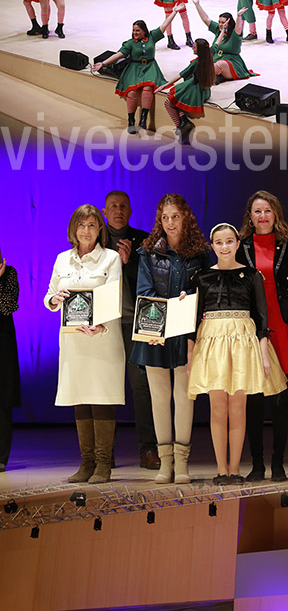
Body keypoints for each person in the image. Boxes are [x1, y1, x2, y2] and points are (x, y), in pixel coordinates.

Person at [187, 223, 287, 483]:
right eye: (219, 242)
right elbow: (192, 321)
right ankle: (221, 469)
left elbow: (262, 319)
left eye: (229, 241)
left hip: (243, 341)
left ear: (237, 244)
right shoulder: (201, 277)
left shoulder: (253, 275)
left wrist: (264, 356)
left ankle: (235, 469)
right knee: (218, 407)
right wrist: (190, 358)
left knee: (239, 406)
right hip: (212, 343)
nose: (224, 247)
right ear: (212, 246)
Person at [131, 194, 212, 484]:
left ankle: (183, 463)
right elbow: (145, 289)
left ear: (185, 217)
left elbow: (206, 292)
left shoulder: (201, 253)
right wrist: (158, 323)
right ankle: (165, 464)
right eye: (164, 217)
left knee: (184, 398)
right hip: (155, 334)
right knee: (159, 398)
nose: (169, 223)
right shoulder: (147, 251)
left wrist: (188, 301)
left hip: (186, 334)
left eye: (175, 216)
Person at [44, 204, 125, 484]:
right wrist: (55, 300)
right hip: (74, 341)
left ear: (100, 229)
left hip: (102, 337)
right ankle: (86, 463)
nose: (87, 231)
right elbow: (50, 296)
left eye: (92, 225)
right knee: (80, 398)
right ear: (73, 230)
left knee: (101, 398)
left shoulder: (111, 258)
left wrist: (99, 323)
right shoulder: (62, 259)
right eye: (82, 225)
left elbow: (114, 295)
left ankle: (103, 464)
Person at [237, 191, 288, 481]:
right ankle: (257, 464)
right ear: (250, 216)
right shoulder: (242, 247)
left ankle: (278, 463)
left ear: (276, 214)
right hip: (252, 329)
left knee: (281, 400)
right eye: (257, 211)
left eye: (267, 211)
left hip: (283, 326)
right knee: (253, 399)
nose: (262, 216)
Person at [102, 191, 158, 471]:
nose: (118, 210)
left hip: (135, 323)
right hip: (105, 324)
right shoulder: (95, 239)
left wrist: (131, 261)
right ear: (104, 211)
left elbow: (153, 280)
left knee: (141, 386)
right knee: (107, 386)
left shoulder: (144, 239)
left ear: (131, 210)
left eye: (123, 205)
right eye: (113, 206)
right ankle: (105, 451)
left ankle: (148, 449)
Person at [91, 9, 181, 133]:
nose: (135, 33)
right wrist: (103, 63)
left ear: (144, 31)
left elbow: (164, 25)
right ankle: (131, 121)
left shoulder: (152, 37)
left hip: (150, 67)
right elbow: (119, 55)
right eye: (133, 30)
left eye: (138, 30)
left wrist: (174, 12)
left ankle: (143, 118)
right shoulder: (130, 43)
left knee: (148, 87)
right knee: (132, 91)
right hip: (134, 68)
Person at [158, 38, 216, 142]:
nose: (192, 48)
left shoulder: (196, 63)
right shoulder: (209, 56)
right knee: (176, 100)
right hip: (205, 91)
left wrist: (164, 86)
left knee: (168, 101)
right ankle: (184, 121)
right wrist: (223, 29)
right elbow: (217, 43)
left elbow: (180, 75)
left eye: (194, 47)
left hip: (196, 91)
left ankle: (180, 127)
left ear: (199, 50)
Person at [191, 0, 257, 80]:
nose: (220, 24)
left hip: (231, 62)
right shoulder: (218, 30)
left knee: (219, 65)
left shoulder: (235, 33)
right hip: (216, 59)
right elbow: (206, 19)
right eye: (219, 22)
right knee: (198, 62)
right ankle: (216, 76)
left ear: (229, 23)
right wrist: (197, 4)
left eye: (223, 22)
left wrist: (239, 16)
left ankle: (213, 76)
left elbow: (239, 27)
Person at [0, 254, 21, 473]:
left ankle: (1, 457)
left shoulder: (9, 273)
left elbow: (8, 306)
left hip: (2, 344)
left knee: (2, 402)